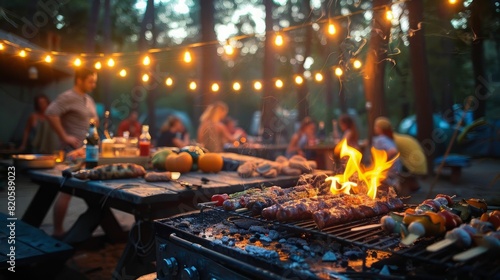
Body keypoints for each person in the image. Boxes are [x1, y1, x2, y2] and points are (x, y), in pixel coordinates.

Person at [45, 68, 99, 237]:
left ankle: (91, 223)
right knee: (66, 190)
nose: (94, 84)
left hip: (87, 150)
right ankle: (58, 230)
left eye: (95, 81)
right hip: (72, 151)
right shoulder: (68, 96)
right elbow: (50, 113)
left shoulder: (88, 99)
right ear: (79, 80)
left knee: (93, 189)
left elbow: (93, 119)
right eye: (91, 80)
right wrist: (65, 136)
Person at [372, 117, 402, 190]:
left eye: (376, 126)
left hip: (391, 170)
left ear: (380, 128)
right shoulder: (388, 138)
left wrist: (382, 161)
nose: (374, 128)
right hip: (397, 168)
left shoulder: (381, 139)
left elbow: (393, 151)